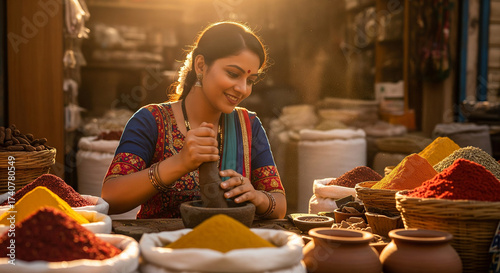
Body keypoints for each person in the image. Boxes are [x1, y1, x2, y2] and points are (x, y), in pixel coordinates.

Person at [101, 21, 286, 219]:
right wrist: (181, 162)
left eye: (250, 81)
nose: (242, 89)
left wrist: (257, 197)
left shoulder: (248, 126)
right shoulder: (150, 121)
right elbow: (110, 198)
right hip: (164, 246)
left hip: (230, 246)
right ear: (200, 65)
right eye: (233, 74)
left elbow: (280, 205)